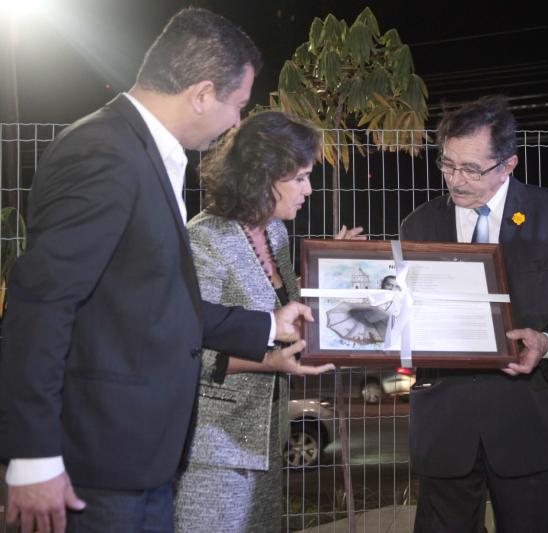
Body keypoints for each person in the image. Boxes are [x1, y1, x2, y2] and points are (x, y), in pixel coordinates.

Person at [0, 8, 315, 533]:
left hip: (142, 461)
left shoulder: (149, 155)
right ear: (202, 94)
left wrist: (266, 325)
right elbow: (41, 305)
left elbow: (155, 302)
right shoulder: (103, 151)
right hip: (94, 466)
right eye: (238, 105)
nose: (237, 123)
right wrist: (33, 457)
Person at [399, 95, 548, 532]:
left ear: (508, 165)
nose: (456, 180)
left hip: (529, 424)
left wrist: (547, 343)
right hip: (445, 427)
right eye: (447, 164)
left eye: (471, 169)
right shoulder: (419, 224)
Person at [172, 111, 359, 532]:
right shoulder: (204, 240)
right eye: (301, 178)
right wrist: (269, 362)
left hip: (269, 441)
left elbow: (286, 312)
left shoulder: (274, 233)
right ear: (263, 177)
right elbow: (184, 350)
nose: (309, 189)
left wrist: (334, 266)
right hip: (214, 448)